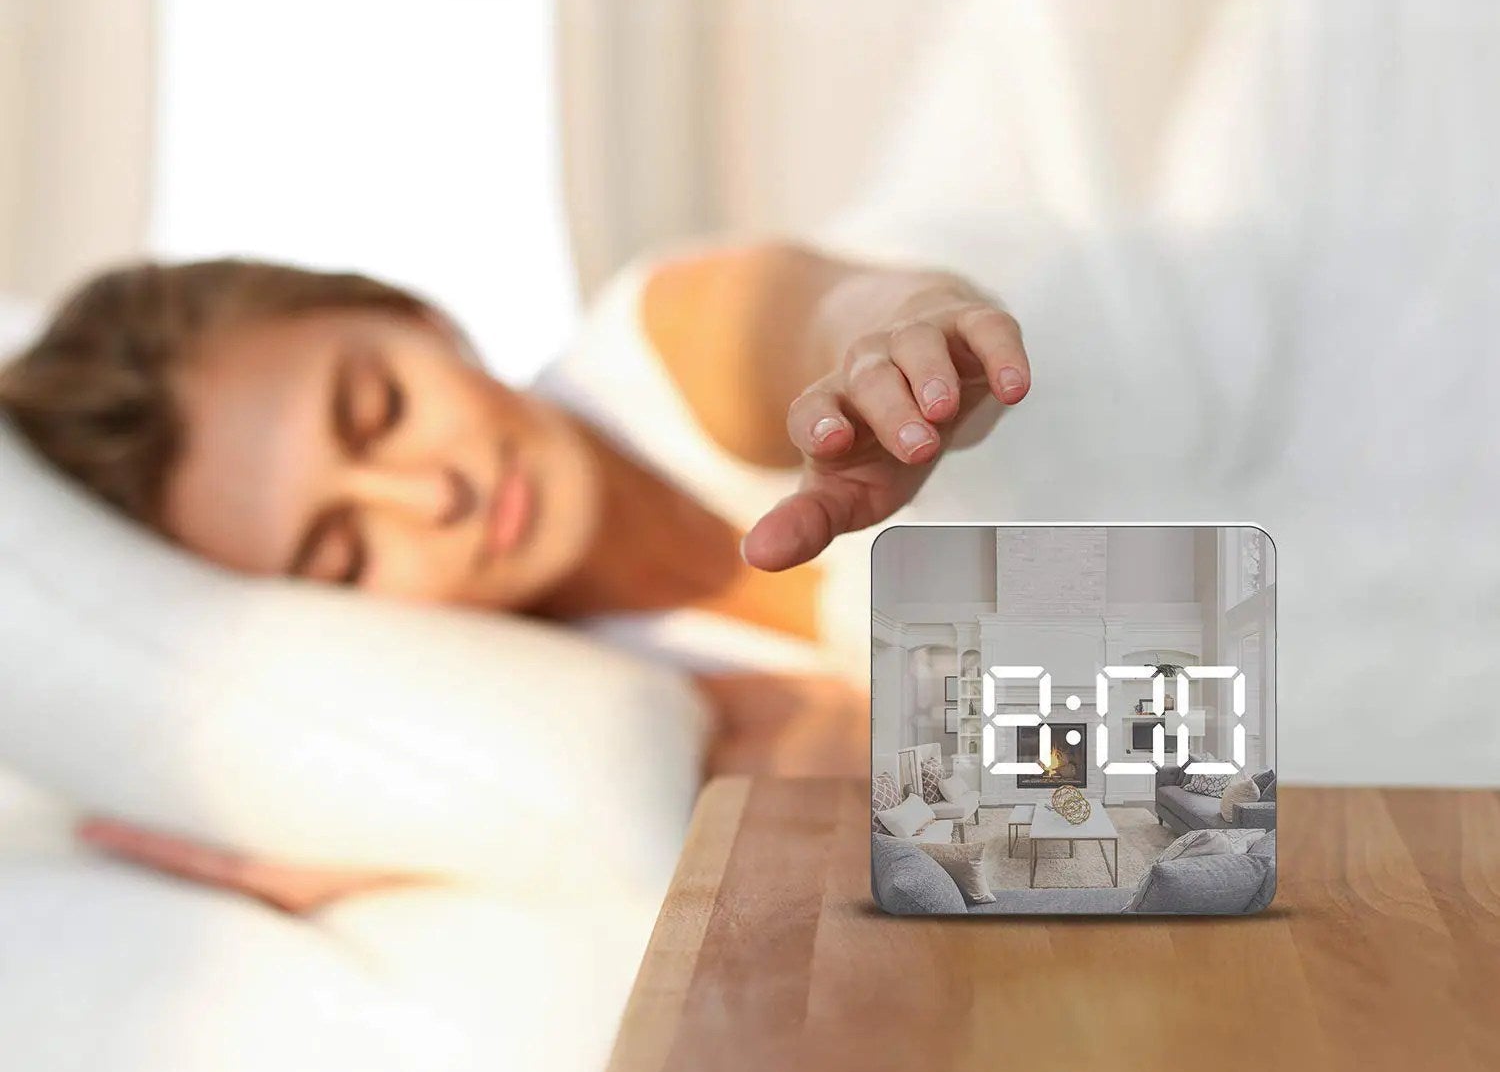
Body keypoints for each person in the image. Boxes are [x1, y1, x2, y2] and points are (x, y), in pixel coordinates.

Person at [0, 242, 1029, 908]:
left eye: (381, 409)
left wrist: (906, 343)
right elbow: (1043, 804)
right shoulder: (646, 712)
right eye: (346, 553)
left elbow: (824, 314)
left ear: (414, 314)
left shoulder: (671, 344)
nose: (427, 495)